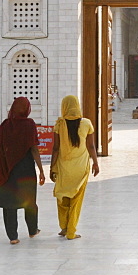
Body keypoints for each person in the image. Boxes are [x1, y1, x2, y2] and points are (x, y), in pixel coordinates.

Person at [0, 97, 46, 244]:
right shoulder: (29, 124)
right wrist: (41, 169)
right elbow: (34, 148)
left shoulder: (5, 125)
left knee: (9, 203)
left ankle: (13, 237)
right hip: (26, 169)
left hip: (8, 168)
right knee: (29, 200)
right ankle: (33, 230)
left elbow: (0, 149)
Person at [49, 95, 100, 240]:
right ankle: (71, 231)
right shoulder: (86, 123)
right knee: (76, 199)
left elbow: (56, 149)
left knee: (62, 197)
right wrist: (96, 163)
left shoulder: (59, 124)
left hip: (64, 168)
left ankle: (64, 228)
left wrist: (52, 167)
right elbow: (90, 146)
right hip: (81, 167)